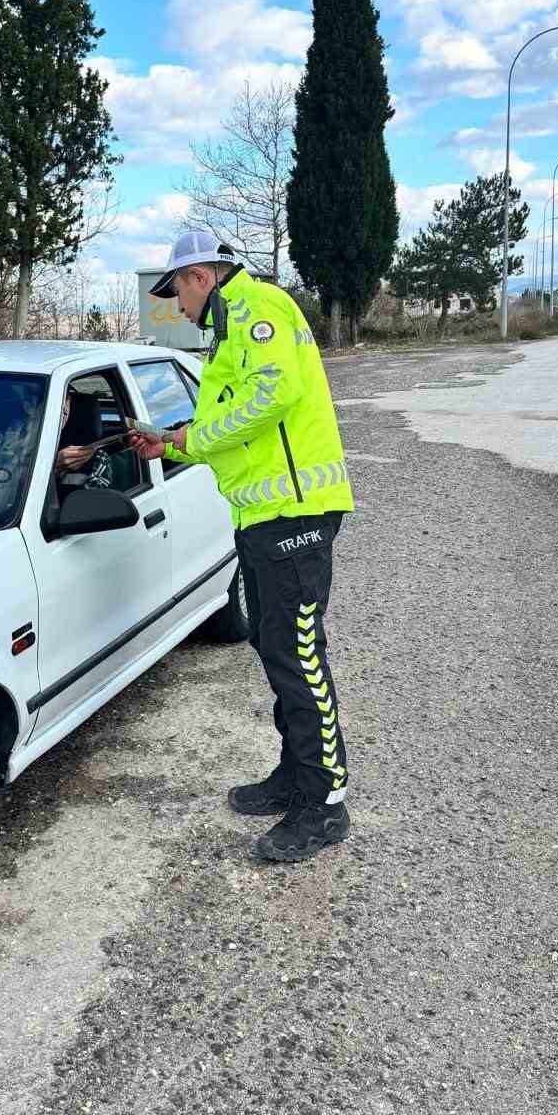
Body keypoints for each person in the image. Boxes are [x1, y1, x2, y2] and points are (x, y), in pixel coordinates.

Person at [130, 230, 354, 863]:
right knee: (275, 646)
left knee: (298, 654)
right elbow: (236, 415)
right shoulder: (231, 325)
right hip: (265, 513)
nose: (177, 305)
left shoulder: (256, 310)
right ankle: (294, 775)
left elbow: (272, 395)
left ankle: (325, 803)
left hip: (295, 512)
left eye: (177, 292)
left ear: (201, 276)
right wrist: (174, 439)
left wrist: (191, 441)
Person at [55, 388, 115, 493]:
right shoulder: (20, 446)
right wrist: (54, 467)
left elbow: (87, 504)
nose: (64, 407)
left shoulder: (96, 457)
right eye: (54, 399)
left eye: (67, 399)